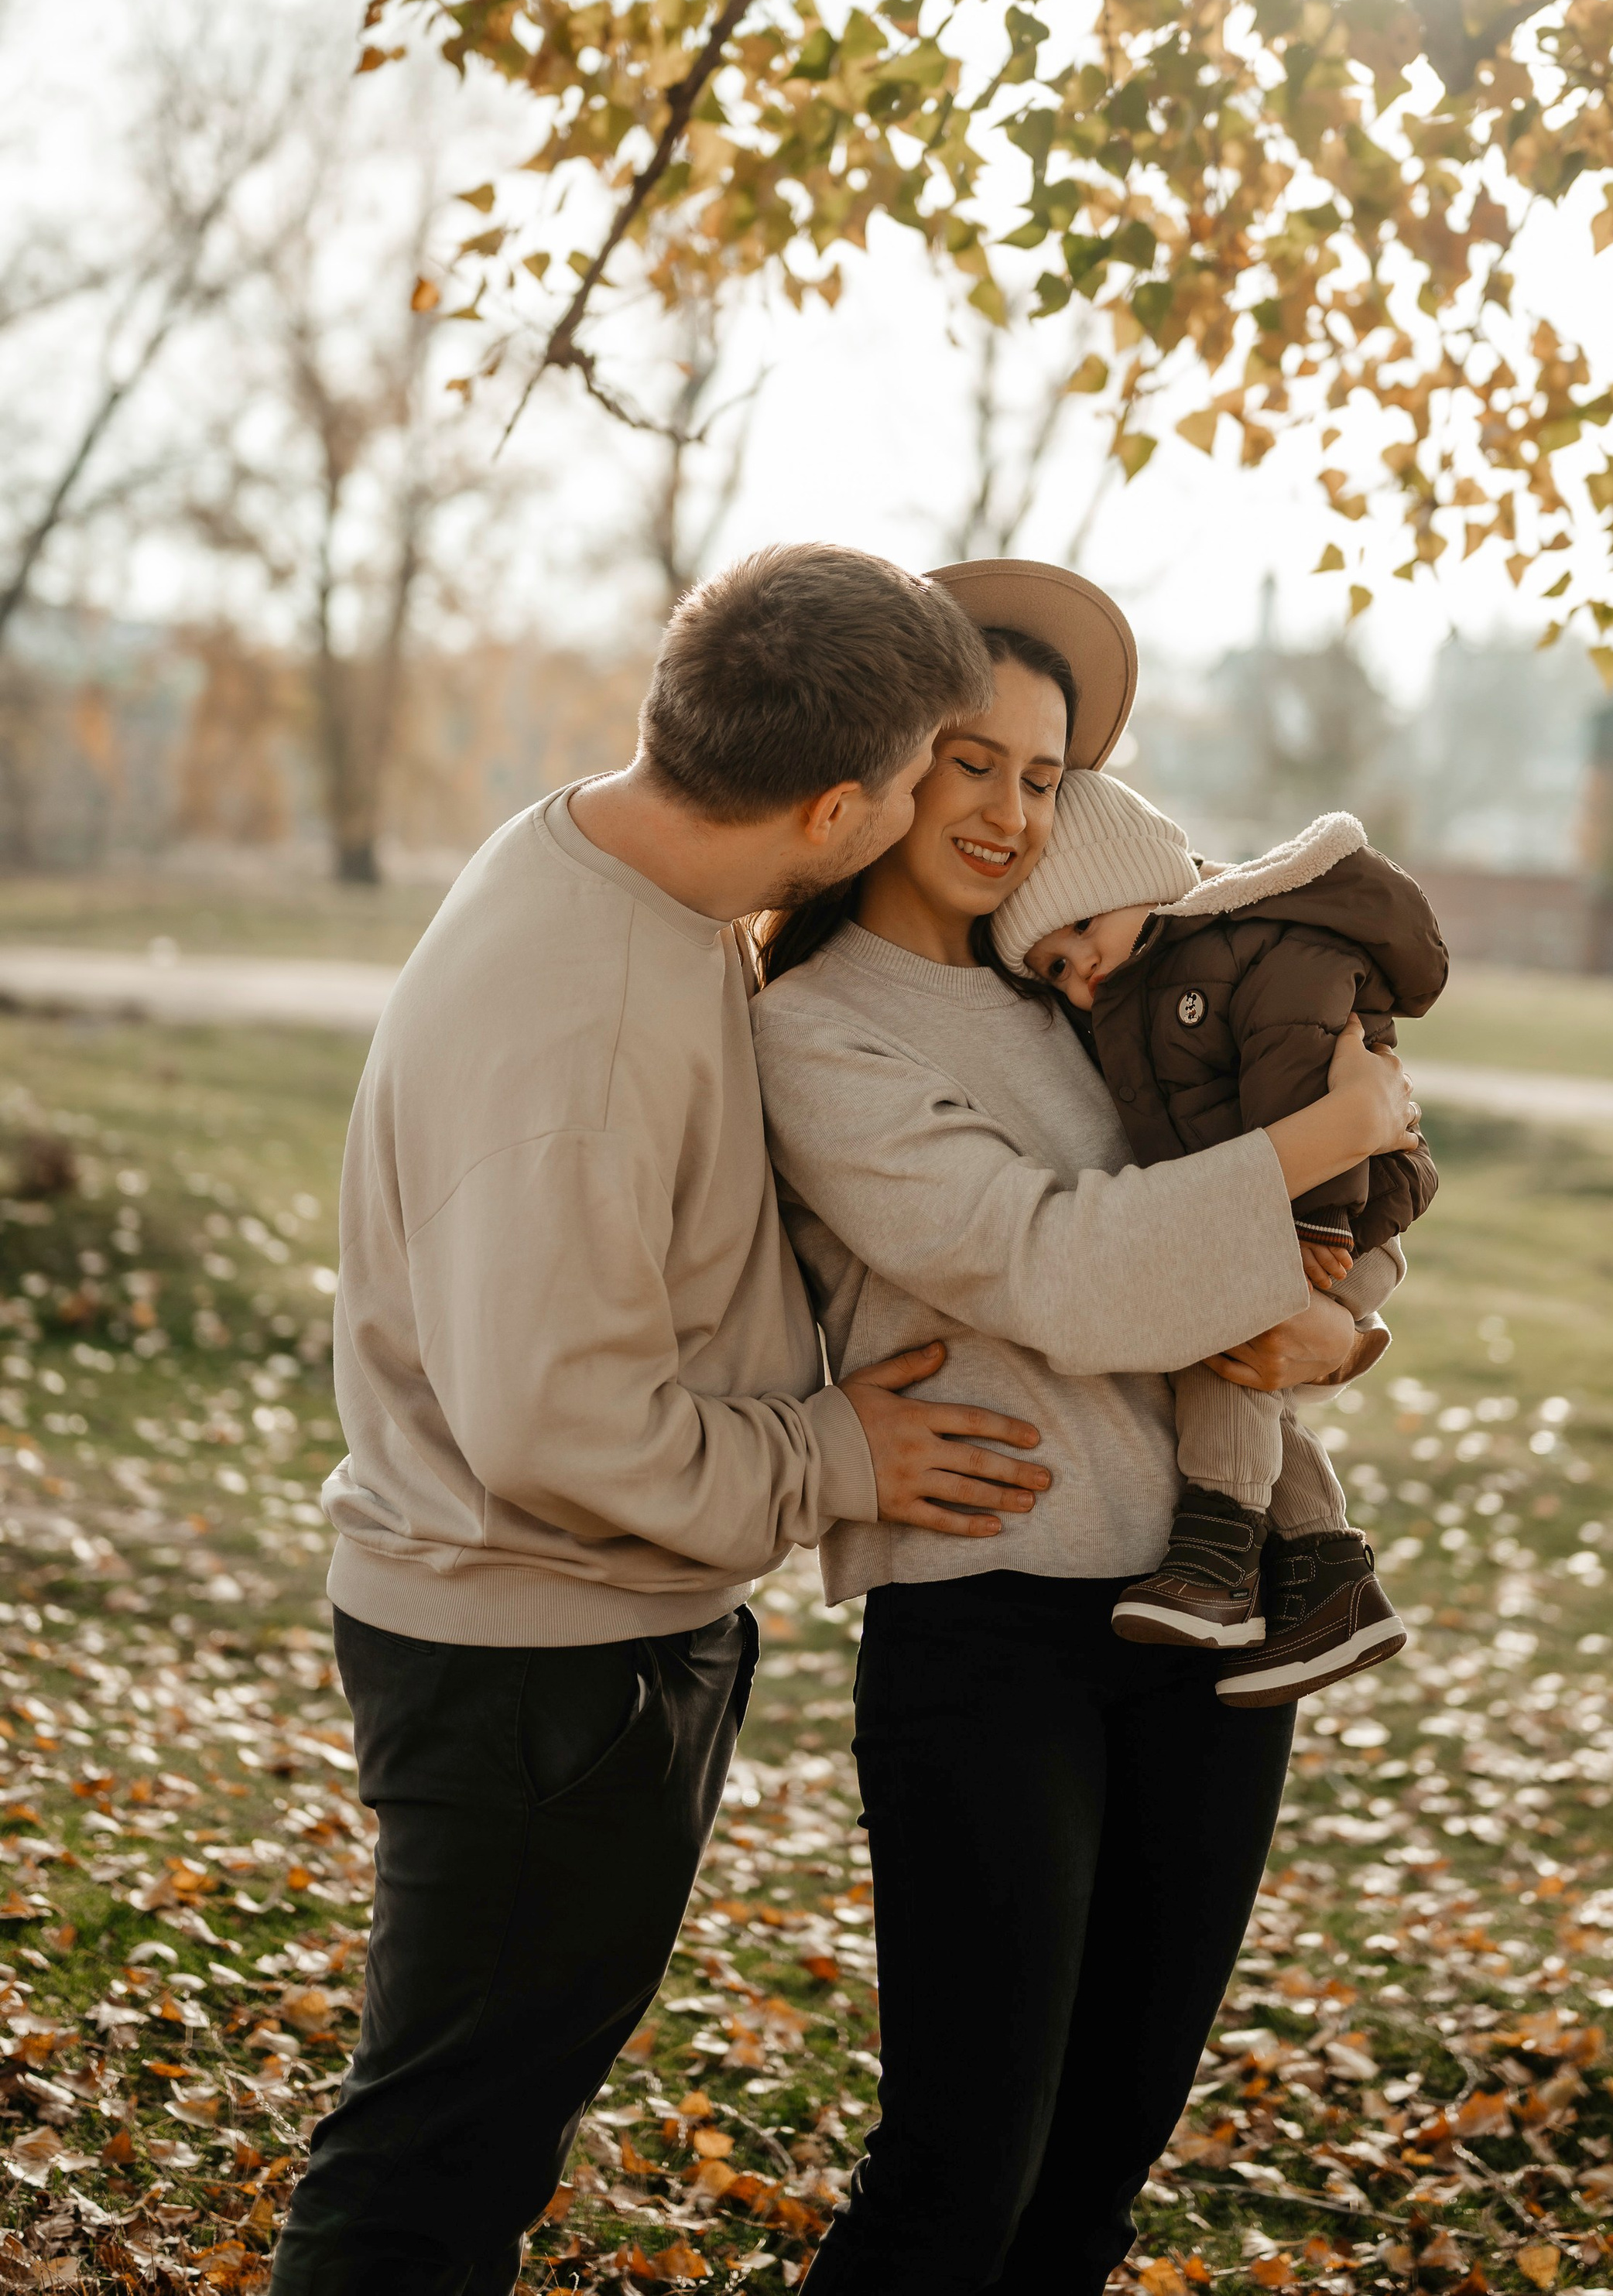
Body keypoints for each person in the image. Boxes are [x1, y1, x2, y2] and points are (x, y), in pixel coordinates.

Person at [272, 545, 1062, 2296]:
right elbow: (560, 1423)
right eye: (936, 766)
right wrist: (836, 1457)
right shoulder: (585, 1020)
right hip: (535, 1671)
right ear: (838, 802)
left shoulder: (624, 859)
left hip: (580, 1644)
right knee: (430, 2161)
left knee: (474, 2128)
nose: (956, 797)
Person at [748, 556, 1421, 2296]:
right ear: (889, 756)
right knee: (961, 2171)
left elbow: (1314, 1181)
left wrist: (1336, 1331)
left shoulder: (1094, 977)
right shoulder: (814, 1032)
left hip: (1214, 1617)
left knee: (1101, 2168)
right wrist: (1295, 1157)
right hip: (995, 1618)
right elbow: (1051, 1263)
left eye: (1041, 777)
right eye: (970, 763)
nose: (1004, 812)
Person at [992, 766, 1447, 1705]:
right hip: (1291, 1206)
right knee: (1239, 1345)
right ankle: (1328, 1576)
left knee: (1227, 1328)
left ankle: (1219, 1548)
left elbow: (1299, 1052)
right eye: (1057, 970)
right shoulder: (1146, 994)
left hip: (1341, 1211)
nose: (1084, 973)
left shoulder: (1245, 944)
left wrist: (1309, 1214)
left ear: (1148, 876)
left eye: (1084, 929)